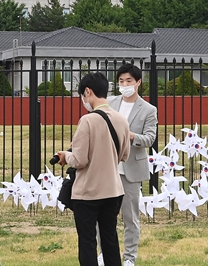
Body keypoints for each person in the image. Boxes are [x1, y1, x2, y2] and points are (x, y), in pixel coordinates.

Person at [55, 72, 131, 266]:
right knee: (110, 239)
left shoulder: (87, 121)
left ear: (87, 92)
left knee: (88, 242)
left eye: (82, 95)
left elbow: (80, 160)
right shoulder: (121, 119)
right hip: (113, 190)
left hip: (88, 192)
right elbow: (124, 155)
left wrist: (66, 156)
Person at [102, 63, 158, 266]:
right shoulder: (109, 103)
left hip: (131, 169)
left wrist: (131, 135)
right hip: (108, 167)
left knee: (130, 217)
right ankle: (104, 255)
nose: (124, 85)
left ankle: (129, 258)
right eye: (121, 81)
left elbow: (150, 138)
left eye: (129, 81)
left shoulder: (148, 110)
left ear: (138, 83)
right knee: (105, 215)